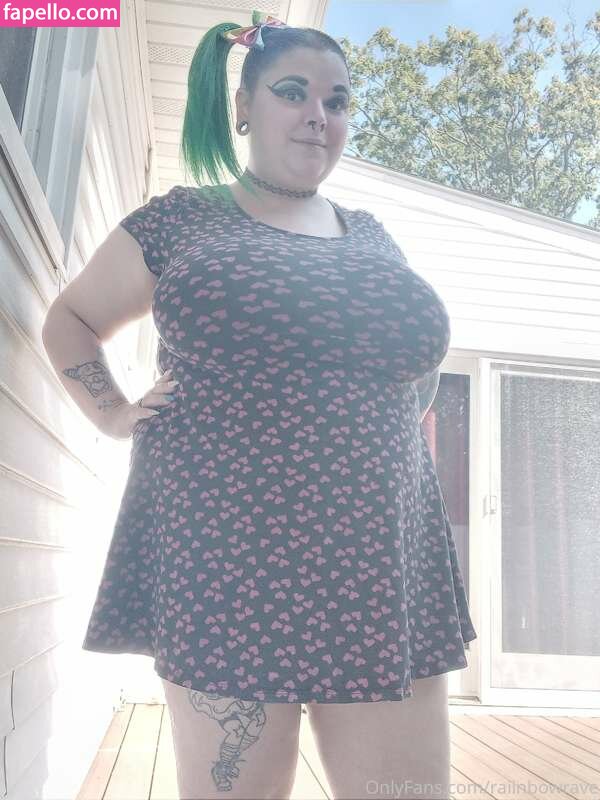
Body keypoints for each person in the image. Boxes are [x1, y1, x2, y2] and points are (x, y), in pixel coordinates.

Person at [41, 11, 477, 800]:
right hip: (228, 563)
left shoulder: (372, 235)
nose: (319, 115)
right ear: (242, 106)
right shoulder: (182, 219)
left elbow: (405, 372)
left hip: (380, 566)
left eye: (338, 101)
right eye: (293, 92)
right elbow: (69, 318)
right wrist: (111, 412)